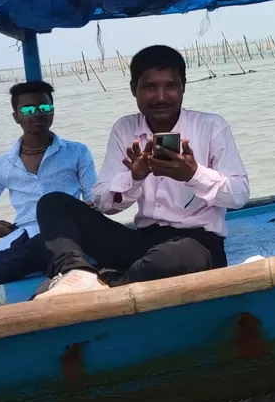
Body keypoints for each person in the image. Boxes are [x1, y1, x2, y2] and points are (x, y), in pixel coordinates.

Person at [35, 45, 249, 296]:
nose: (161, 96)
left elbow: (239, 195)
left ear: (183, 86)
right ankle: (76, 273)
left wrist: (192, 175)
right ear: (133, 88)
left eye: (171, 86)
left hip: (197, 243)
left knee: (170, 259)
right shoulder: (124, 129)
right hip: (142, 240)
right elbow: (103, 202)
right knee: (53, 203)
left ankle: (108, 281)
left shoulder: (211, 127)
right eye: (149, 87)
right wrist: (134, 178)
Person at [0, 81, 96, 286]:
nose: (37, 114)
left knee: (50, 243)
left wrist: (91, 207)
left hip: (68, 234)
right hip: (24, 237)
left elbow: (94, 197)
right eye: (28, 109)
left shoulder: (76, 152)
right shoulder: (1, 165)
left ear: (52, 112)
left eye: (44, 107)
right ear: (16, 117)